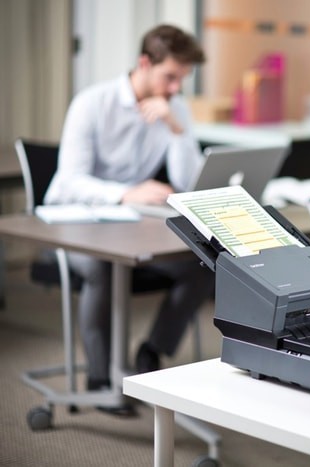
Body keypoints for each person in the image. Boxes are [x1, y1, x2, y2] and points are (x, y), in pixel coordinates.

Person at [44, 24, 213, 411]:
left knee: (204, 262)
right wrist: (125, 192)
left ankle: (151, 351)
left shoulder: (174, 106)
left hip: (132, 227)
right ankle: (101, 377)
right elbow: (68, 182)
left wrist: (175, 129)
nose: (176, 88)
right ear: (144, 63)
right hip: (72, 224)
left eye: (182, 79)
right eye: (170, 77)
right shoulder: (92, 104)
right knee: (101, 266)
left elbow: (189, 182)